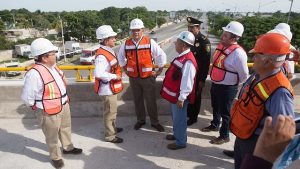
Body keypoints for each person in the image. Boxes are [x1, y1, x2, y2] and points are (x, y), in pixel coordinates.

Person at [230, 33, 295, 169]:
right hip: (243, 135)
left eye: (257, 54)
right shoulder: (257, 75)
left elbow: (283, 131)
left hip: (256, 142)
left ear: (267, 60)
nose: (253, 57)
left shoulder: (280, 91)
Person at [21, 38, 82, 168]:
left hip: (63, 104)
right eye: (53, 53)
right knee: (52, 136)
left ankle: (68, 147)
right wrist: (39, 109)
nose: (56, 55)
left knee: (65, 128)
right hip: (47, 111)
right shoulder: (34, 74)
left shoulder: (53, 67)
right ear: (44, 58)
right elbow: (27, 97)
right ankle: (56, 157)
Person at [201, 21, 249, 145]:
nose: (222, 36)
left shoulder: (238, 54)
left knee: (226, 112)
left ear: (234, 38)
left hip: (228, 87)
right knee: (215, 107)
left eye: (226, 35)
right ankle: (215, 125)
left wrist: (235, 86)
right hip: (216, 83)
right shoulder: (221, 47)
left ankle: (224, 135)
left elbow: (244, 74)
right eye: (224, 33)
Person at [117, 18, 167, 132]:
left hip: (148, 77)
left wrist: (159, 71)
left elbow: (161, 56)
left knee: (151, 101)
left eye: (138, 30)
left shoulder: (149, 42)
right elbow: (120, 57)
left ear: (142, 30)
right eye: (133, 30)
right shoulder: (126, 43)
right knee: (137, 100)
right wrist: (125, 69)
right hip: (134, 78)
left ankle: (154, 122)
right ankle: (141, 120)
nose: (135, 32)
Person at [161, 31, 197, 150]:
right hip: (174, 96)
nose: (175, 44)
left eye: (177, 42)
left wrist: (182, 98)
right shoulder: (182, 56)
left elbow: (187, 82)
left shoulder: (188, 61)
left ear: (183, 45)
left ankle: (181, 142)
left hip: (179, 98)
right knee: (176, 118)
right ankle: (177, 135)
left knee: (180, 120)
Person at [94, 25, 124, 143]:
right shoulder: (101, 55)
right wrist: (114, 76)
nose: (114, 40)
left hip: (110, 88)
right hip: (107, 89)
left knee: (112, 111)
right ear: (106, 40)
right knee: (110, 113)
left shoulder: (107, 50)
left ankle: (113, 128)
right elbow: (99, 73)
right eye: (112, 38)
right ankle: (110, 135)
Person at [186, 16, 211, 126]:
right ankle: (188, 114)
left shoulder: (204, 42)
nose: (190, 30)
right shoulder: (188, 40)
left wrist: (202, 79)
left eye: (192, 28)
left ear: (198, 28)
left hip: (198, 76)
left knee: (196, 97)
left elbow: (206, 64)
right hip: (188, 75)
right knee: (187, 95)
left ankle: (193, 117)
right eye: (189, 28)